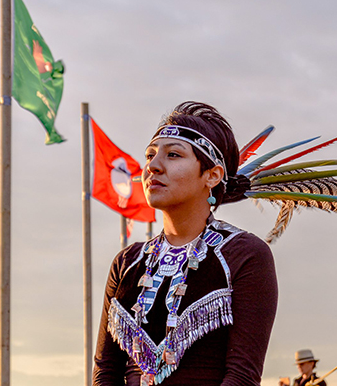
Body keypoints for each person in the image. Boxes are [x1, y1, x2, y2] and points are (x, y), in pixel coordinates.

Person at [93, 102, 279, 386]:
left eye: (173, 155)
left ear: (212, 175)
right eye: (150, 156)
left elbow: (242, 376)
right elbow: (106, 372)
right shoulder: (127, 262)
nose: (153, 167)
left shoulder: (245, 255)